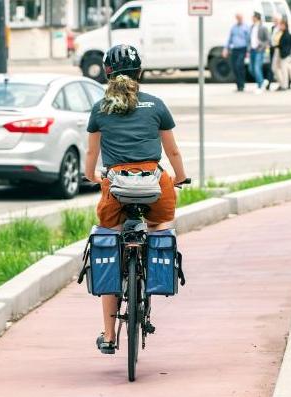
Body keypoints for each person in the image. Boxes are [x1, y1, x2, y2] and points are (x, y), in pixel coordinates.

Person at [84, 44, 188, 354]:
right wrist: (180, 178)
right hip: (154, 185)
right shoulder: (155, 105)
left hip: (115, 187)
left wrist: (92, 177)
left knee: (110, 241)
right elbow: (172, 152)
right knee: (159, 226)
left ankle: (109, 335)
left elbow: (91, 152)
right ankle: (152, 272)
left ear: (107, 74)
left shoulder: (100, 109)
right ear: (139, 73)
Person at [223, 13, 251, 92]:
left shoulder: (246, 27)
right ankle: (238, 85)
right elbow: (230, 38)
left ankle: (242, 85)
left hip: (242, 49)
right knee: (234, 67)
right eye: (237, 18)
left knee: (239, 66)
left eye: (240, 17)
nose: (239, 19)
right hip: (234, 49)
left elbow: (249, 40)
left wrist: (248, 51)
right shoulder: (234, 27)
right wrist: (226, 48)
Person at [249, 12, 270, 93]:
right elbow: (249, 39)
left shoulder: (263, 28)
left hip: (259, 50)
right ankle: (262, 82)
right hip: (252, 50)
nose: (252, 18)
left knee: (257, 68)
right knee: (251, 69)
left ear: (256, 18)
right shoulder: (252, 27)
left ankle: (260, 86)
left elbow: (268, 40)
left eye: (253, 17)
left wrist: (260, 43)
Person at [271, 18, 291, 91]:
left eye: (282, 25)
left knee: (284, 69)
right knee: (274, 68)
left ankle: (285, 85)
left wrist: (287, 52)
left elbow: (290, 45)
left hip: (284, 53)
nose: (280, 26)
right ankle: (281, 83)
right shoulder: (278, 32)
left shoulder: (288, 34)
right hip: (277, 50)